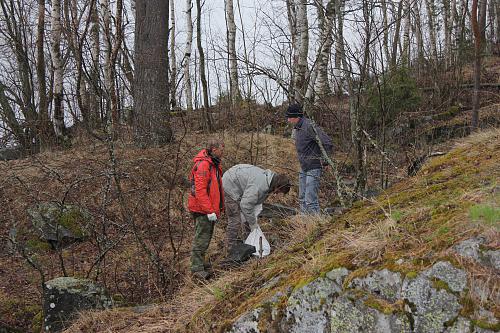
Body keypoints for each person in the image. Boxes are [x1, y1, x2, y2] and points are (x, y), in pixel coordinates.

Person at [222, 164, 291, 254]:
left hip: (239, 183)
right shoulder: (260, 186)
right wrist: (253, 224)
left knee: (249, 218)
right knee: (235, 219)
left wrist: (252, 220)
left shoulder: (270, 181)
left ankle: (249, 244)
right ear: (277, 186)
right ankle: (229, 250)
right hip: (230, 184)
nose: (277, 194)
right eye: (279, 191)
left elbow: (251, 204)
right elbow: (245, 205)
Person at [187, 139, 225, 280]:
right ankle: (196, 268)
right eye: (221, 149)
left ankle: (200, 263)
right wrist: (209, 210)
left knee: (206, 237)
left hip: (209, 209)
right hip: (202, 209)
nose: (223, 152)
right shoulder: (204, 165)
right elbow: (200, 191)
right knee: (201, 238)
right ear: (214, 149)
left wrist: (220, 207)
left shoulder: (213, 164)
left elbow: (216, 189)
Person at [286, 104, 333, 214]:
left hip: (314, 167)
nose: (288, 120)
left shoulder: (309, 126)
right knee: (302, 198)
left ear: (296, 116)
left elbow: (327, 142)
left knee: (310, 200)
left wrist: (326, 162)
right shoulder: (297, 128)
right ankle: (304, 224)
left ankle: (316, 225)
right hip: (303, 167)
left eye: (289, 117)